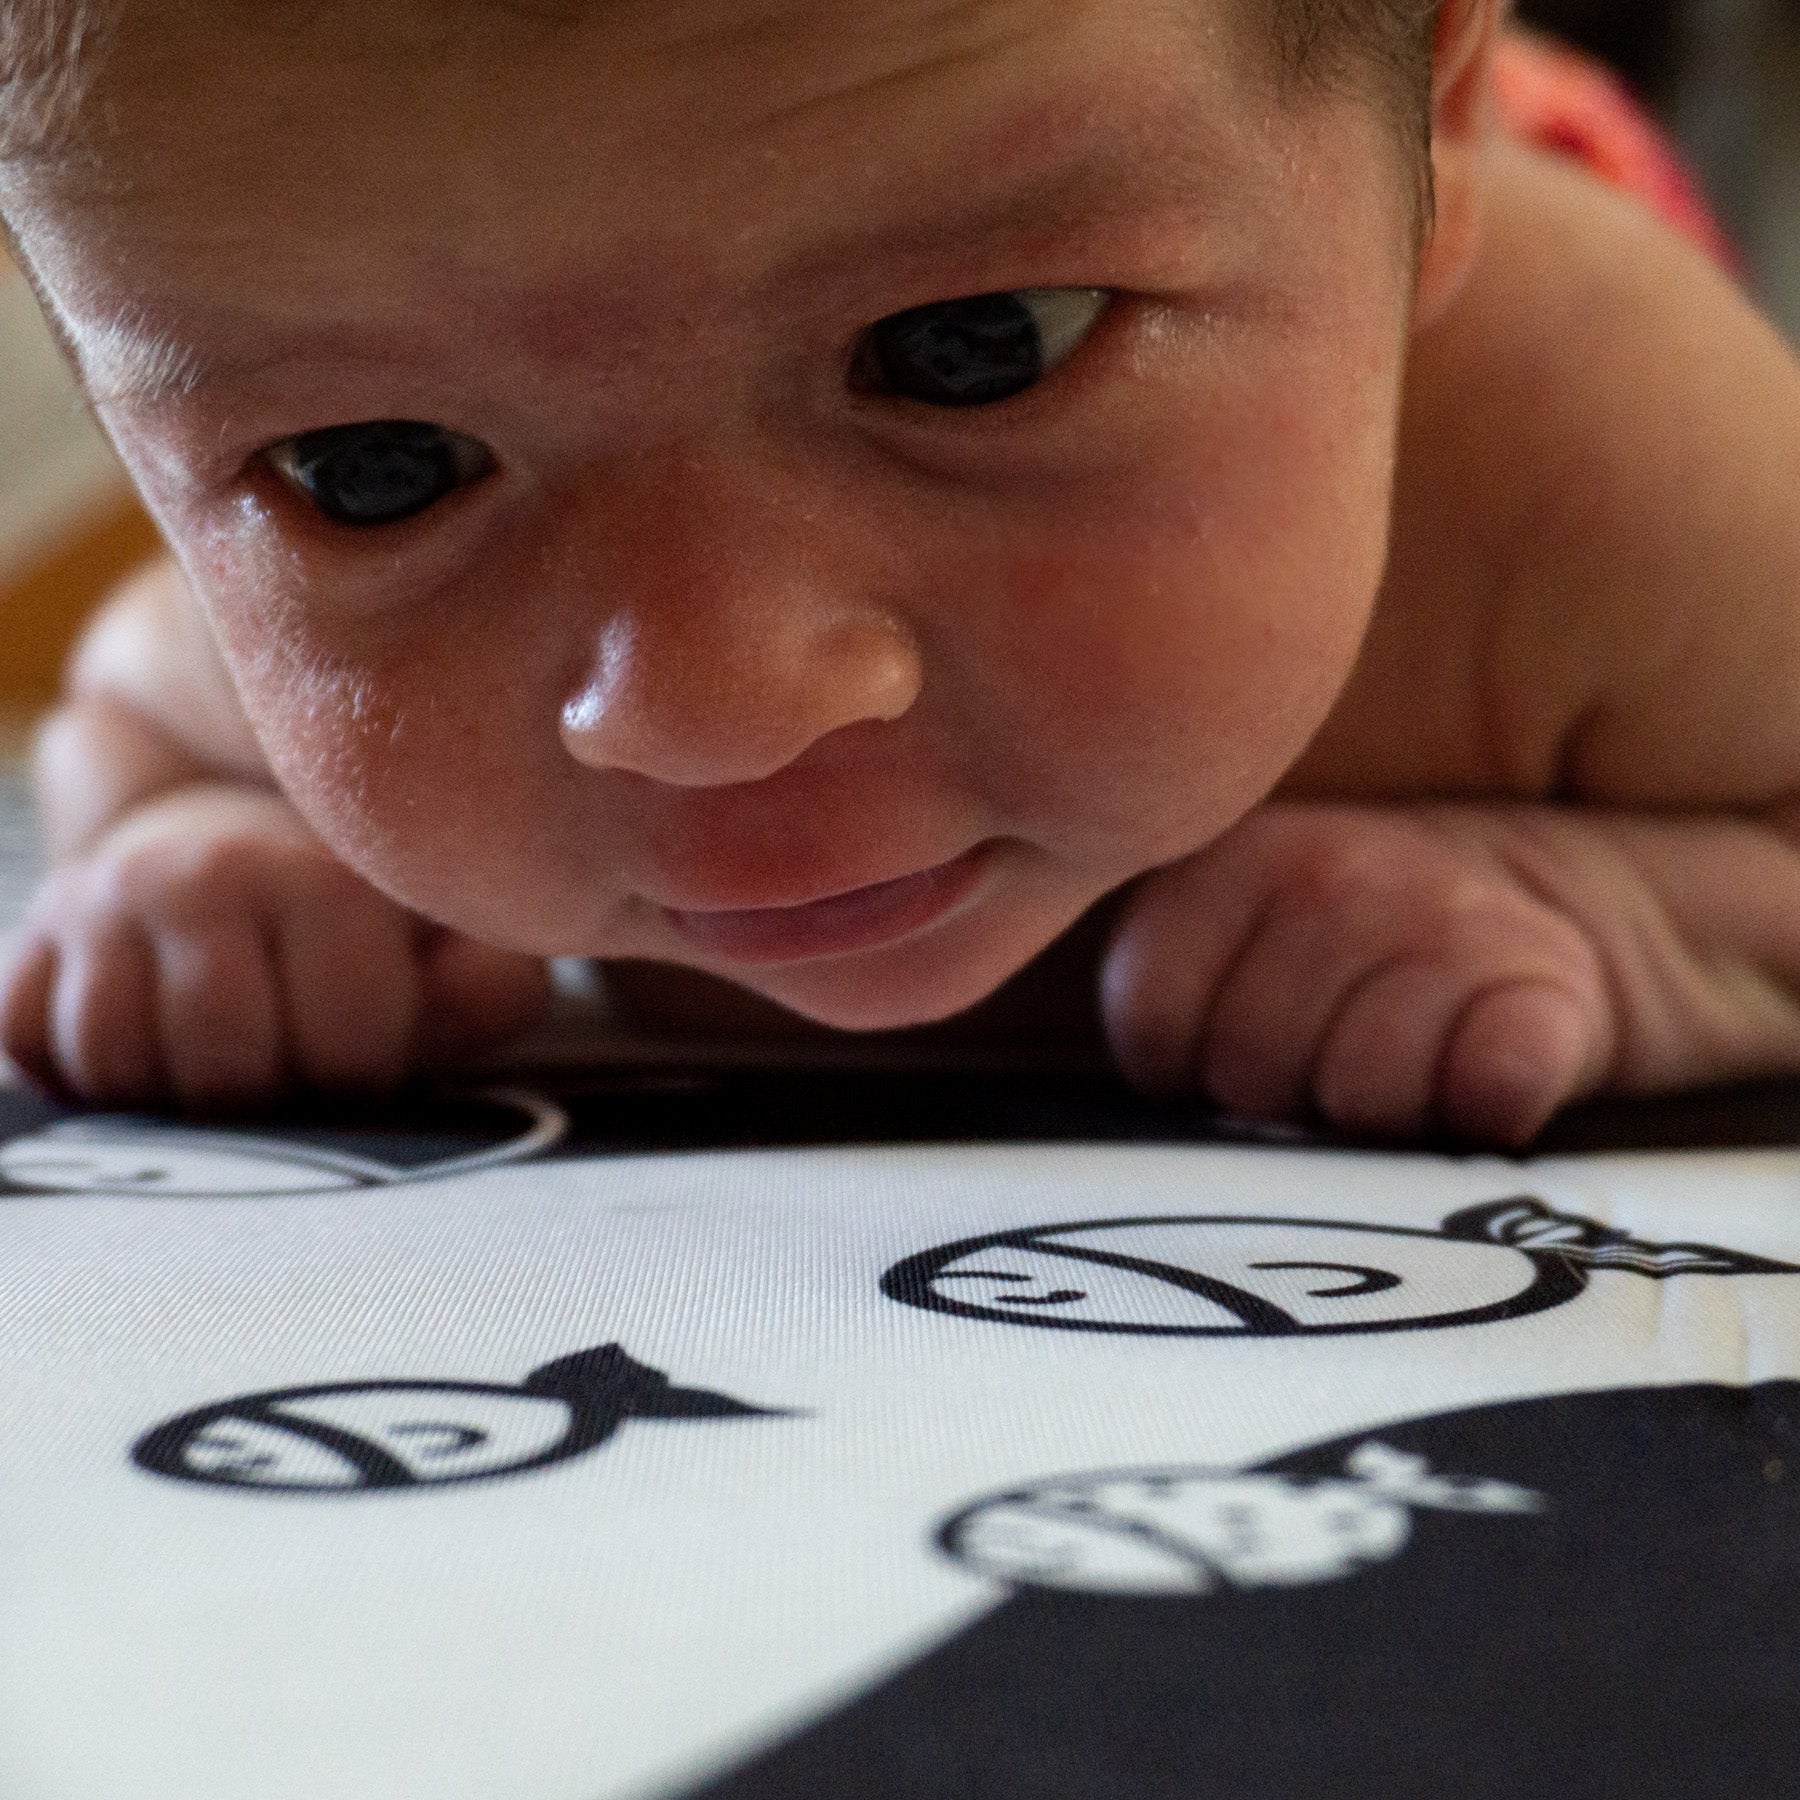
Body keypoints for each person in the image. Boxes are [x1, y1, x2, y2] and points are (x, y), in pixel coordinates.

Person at [4, 0, 1800, 1147]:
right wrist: (187, 863)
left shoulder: (1605, 477)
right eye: (378, 470)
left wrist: (1635, 924)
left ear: (1428, 137)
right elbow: (121, 723)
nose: (711, 706)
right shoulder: (278, 626)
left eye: (977, 347)